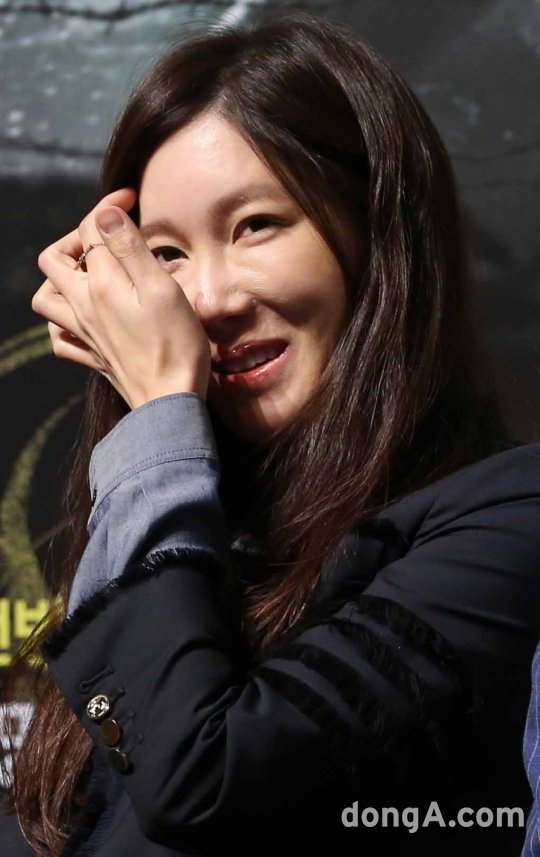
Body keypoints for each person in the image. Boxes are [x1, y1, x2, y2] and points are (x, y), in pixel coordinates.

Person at [1, 9, 539, 857]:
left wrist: (159, 417)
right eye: (165, 254)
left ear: (378, 234)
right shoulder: (197, 523)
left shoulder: (509, 513)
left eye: (255, 225)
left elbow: (201, 781)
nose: (209, 301)